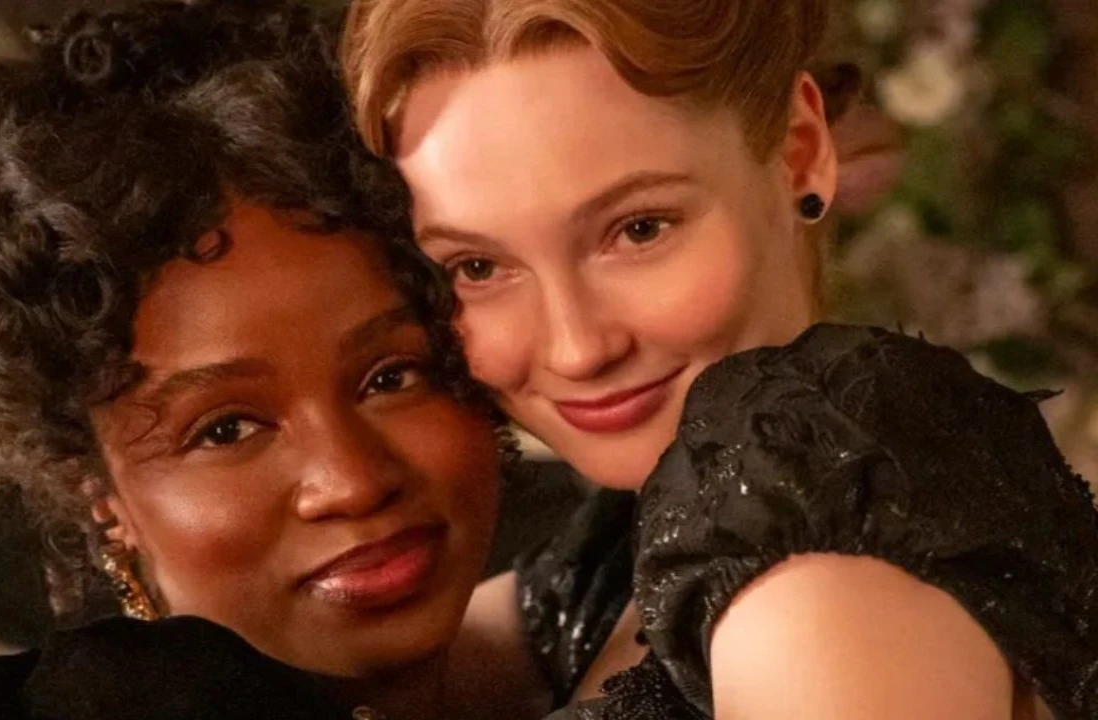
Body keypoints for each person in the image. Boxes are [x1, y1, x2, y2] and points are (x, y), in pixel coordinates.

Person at [340, 1, 1098, 718]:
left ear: (799, 151)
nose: (579, 348)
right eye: (476, 267)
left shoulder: (822, 553)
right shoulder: (628, 544)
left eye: (640, 229)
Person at [0, 1, 510, 718]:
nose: (351, 482)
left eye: (391, 378)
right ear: (101, 497)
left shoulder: (562, 631)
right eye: (225, 429)